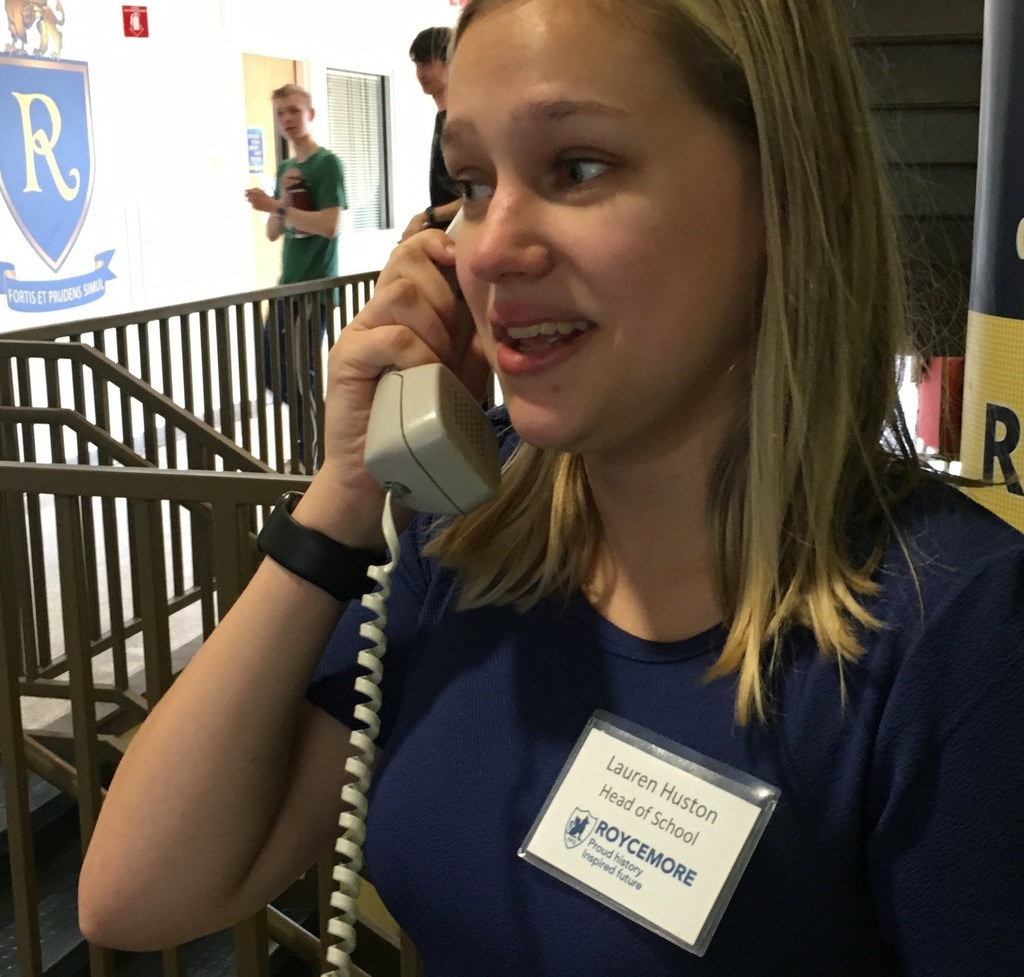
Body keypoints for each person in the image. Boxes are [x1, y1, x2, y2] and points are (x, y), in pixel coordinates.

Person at [79, 1, 1024, 975]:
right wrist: (346, 490)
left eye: (577, 168)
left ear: (791, 195)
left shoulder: (959, 632)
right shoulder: (461, 528)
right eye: (472, 183)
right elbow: (137, 891)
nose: (487, 250)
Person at [244, 83, 347, 470]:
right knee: (272, 371)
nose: (287, 119)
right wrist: (278, 205)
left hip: (313, 290)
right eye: (280, 113)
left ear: (310, 114)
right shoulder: (287, 169)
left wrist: (277, 206)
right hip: (286, 287)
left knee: (301, 376)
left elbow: (330, 225)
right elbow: (274, 232)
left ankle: (314, 458)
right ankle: (316, 443)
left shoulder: (327, 164)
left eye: (293, 111)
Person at [400, 26, 462, 240]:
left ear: (449, 62)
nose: (420, 73)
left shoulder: (463, 121)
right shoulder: (441, 119)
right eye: (417, 65)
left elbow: (481, 194)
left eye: (426, 63)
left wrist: (427, 216)